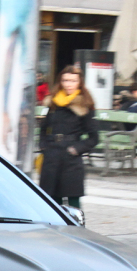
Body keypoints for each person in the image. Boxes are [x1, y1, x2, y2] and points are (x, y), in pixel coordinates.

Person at [39, 65, 98, 211]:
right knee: (50, 199)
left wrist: (76, 149)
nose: (68, 84)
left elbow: (94, 137)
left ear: (79, 83)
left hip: (70, 158)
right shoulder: (54, 103)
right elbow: (43, 128)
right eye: (65, 80)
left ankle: (76, 230)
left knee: (73, 200)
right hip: (52, 155)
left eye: (72, 81)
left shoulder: (84, 105)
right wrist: (44, 146)